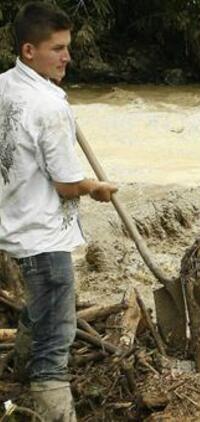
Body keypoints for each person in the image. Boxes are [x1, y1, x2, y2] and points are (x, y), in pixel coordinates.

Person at [0, 2, 117, 420]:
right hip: (45, 238)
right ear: (30, 50)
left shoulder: (5, 86)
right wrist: (96, 188)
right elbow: (67, 185)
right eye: (58, 48)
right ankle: (55, 412)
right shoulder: (49, 107)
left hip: (15, 226)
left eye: (68, 47)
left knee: (38, 312)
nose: (67, 57)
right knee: (56, 341)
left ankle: (17, 382)